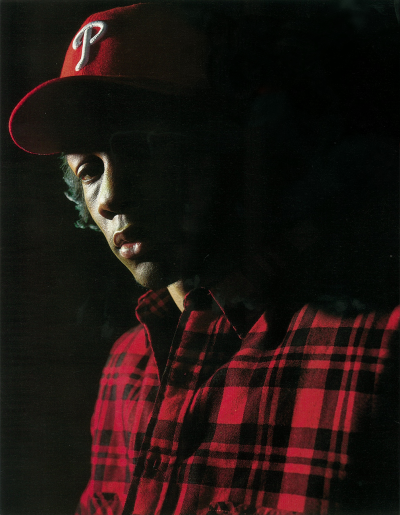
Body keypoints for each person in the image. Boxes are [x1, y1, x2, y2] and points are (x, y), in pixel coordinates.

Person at [9, 2, 399, 514]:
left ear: (223, 143)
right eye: (89, 170)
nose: (110, 197)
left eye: (143, 149)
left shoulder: (375, 346)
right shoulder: (126, 367)